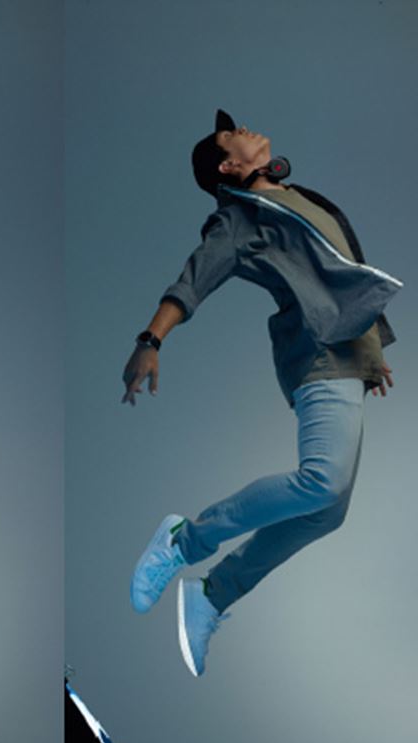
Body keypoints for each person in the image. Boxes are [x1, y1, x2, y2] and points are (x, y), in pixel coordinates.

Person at [124, 110, 401, 676]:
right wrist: (151, 338)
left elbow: (342, 272)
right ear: (228, 164)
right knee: (320, 480)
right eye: (233, 134)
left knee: (326, 513)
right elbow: (194, 278)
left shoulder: (301, 196)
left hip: (349, 358)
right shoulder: (238, 220)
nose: (246, 129)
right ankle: (186, 538)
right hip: (318, 356)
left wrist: (374, 352)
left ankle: (213, 594)